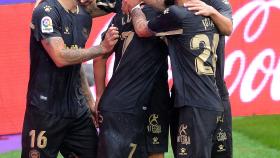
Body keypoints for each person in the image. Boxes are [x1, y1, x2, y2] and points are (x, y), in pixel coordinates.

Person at [124, 0, 228, 157]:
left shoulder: (175, 14)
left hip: (193, 102)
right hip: (211, 99)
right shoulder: (207, 14)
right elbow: (228, 28)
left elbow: (141, 29)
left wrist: (136, 8)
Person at [21, 0, 119, 157]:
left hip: (77, 110)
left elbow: (76, 62)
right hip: (45, 111)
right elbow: (60, 57)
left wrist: (89, 101)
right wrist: (101, 48)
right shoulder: (46, 12)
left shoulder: (83, 15)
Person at [93, 3, 171, 158]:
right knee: (155, 151)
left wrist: (100, 95)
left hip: (124, 101)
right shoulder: (165, 13)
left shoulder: (119, 18)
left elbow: (99, 59)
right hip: (155, 99)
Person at [184, 0, 233, 157]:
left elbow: (228, 28)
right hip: (187, 95)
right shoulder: (176, 5)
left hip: (216, 90)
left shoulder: (217, 3)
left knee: (220, 152)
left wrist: (211, 12)